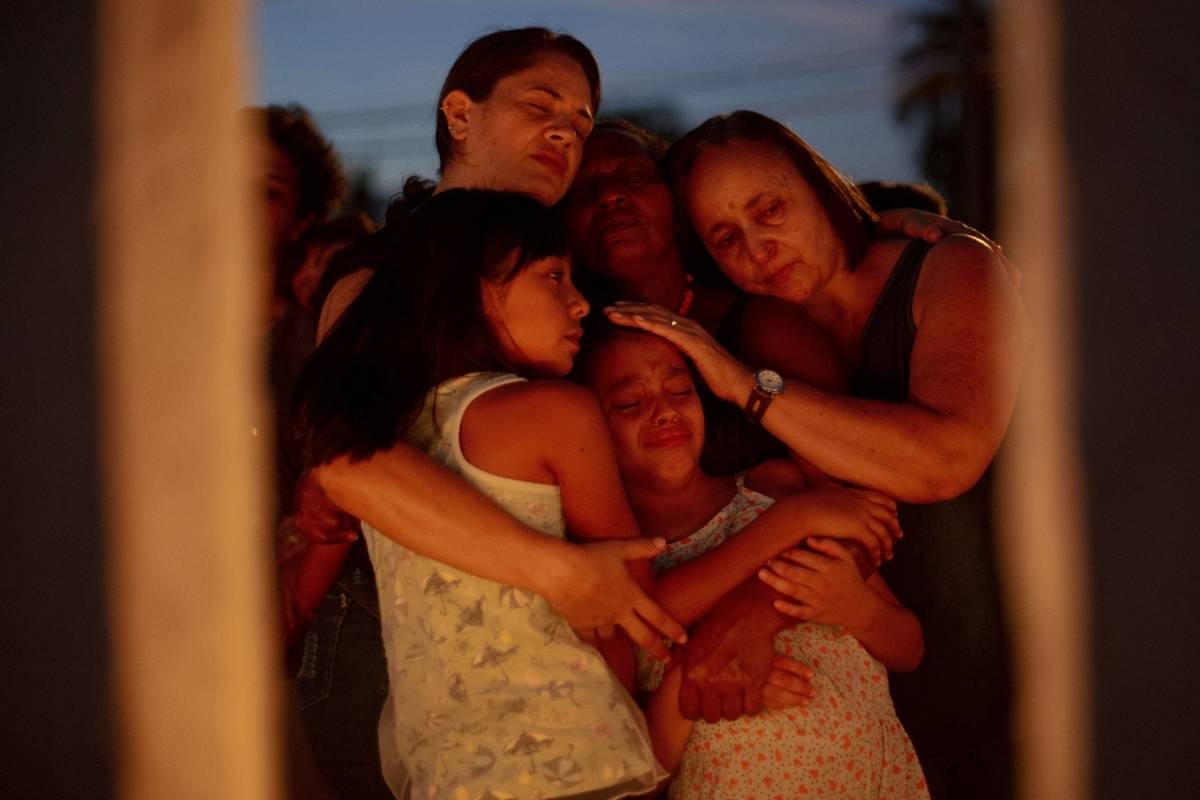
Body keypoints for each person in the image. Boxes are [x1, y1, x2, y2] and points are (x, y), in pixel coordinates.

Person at [607, 110, 1028, 799]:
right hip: (870, 692)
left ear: (818, 182)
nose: (758, 248)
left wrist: (743, 385)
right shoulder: (752, 326)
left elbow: (945, 459)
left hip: (1001, 651)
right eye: (726, 237)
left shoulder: (949, 267)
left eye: (770, 209)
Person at [577, 326, 928, 799]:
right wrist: (700, 689)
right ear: (588, 431)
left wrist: (857, 609)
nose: (665, 411)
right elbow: (634, 778)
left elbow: (910, 648)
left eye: (680, 391)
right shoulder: (613, 569)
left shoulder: (775, 487)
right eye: (629, 403)